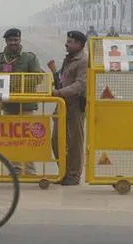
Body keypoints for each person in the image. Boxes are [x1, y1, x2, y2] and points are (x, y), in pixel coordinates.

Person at [0, 28, 44, 176]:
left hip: (26, 104)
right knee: (12, 139)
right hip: (7, 105)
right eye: (11, 40)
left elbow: (38, 78)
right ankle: (16, 170)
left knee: (28, 139)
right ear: (6, 41)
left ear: (20, 40)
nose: (13, 43)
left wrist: (18, 81)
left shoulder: (29, 58)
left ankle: (30, 171)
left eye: (16, 40)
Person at [51, 30, 88, 186]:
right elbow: (63, 78)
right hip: (63, 103)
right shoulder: (69, 59)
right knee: (56, 140)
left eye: (70, 42)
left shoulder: (83, 61)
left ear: (79, 44)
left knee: (75, 142)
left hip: (75, 105)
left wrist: (58, 92)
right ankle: (64, 171)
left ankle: (73, 175)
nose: (66, 44)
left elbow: (80, 85)